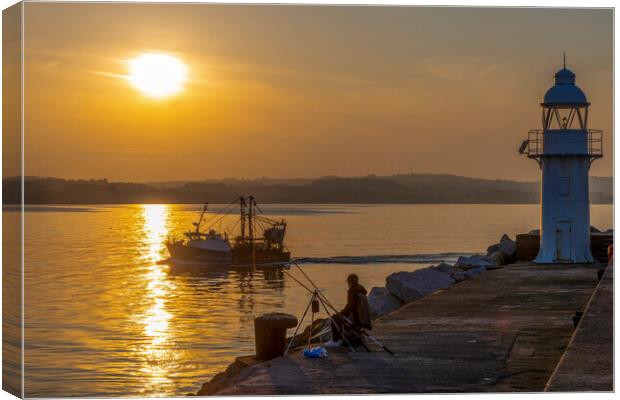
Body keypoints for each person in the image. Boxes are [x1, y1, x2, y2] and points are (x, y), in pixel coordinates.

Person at [325, 273, 369, 348]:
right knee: (338, 316)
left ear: (349, 282)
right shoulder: (361, 290)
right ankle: (340, 339)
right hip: (362, 318)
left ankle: (336, 341)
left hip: (356, 319)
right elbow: (352, 306)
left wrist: (341, 313)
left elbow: (350, 306)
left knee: (334, 318)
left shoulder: (352, 291)